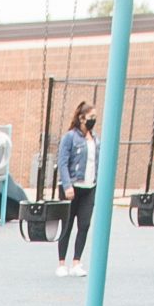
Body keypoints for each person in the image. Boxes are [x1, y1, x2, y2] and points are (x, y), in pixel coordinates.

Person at [56, 103, 99, 277]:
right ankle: (61, 263)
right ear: (81, 118)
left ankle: (76, 262)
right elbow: (63, 162)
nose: (93, 121)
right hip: (72, 186)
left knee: (84, 224)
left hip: (89, 186)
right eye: (91, 117)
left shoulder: (95, 139)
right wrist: (67, 185)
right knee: (66, 224)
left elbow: (97, 162)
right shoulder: (70, 137)